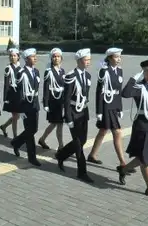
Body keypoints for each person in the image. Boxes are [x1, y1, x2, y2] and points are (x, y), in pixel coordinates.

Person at [118, 59, 148, 200]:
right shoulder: (139, 88)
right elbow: (125, 93)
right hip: (142, 126)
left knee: (143, 156)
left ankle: (123, 169)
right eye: (146, 70)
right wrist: (134, 78)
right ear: (142, 72)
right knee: (145, 158)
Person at [88, 48, 136, 173]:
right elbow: (99, 92)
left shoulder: (119, 71)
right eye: (116, 57)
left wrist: (120, 108)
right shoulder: (104, 71)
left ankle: (92, 155)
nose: (119, 59)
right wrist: (98, 111)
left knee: (103, 131)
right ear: (109, 58)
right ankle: (123, 162)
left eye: (120, 57)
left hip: (114, 105)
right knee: (117, 132)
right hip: (106, 105)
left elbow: (118, 91)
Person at [55, 48, 94, 183]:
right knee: (78, 144)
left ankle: (61, 155)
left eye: (89, 59)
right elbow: (66, 99)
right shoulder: (71, 76)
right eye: (86, 60)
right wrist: (68, 117)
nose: (88, 62)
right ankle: (82, 172)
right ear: (79, 61)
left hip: (83, 112)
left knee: (82, 141)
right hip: (73, 112)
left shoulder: (87, 76)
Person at [10, 48, 41, 166]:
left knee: (34, 129)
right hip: (25, 106)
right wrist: (20, 110)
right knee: (30, 131)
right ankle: (32, 157)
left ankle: (16, 142)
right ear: (27, 59)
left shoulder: (36, 71)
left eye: (35, 56)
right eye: (33, 56)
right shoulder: (21, 73)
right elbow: (18, 93)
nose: (35, 58)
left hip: (34, 104)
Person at [38, 48, 65, 151]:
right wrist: (45, 103)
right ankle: (61, 145)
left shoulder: (62, 71)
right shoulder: (48, 72)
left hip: (61, 101)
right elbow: (46, 88)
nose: (56, 58)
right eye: (54, 56)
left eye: (58, 56)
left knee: (55, 123)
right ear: (51, 58)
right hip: (53, 101)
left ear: (61, 58)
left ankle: (42, 139)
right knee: (58, 123)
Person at [0, 48, 22, 138]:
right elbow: (6, 84)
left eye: (14, 56)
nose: (12, 58)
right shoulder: (8, 68)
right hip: (11, 95)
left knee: (17, 116)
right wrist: (5, 98)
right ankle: (15, 136)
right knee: (15, 116)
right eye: (11, 56)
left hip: (19, 95)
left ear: (18, 57)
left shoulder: (20, 68)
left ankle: (4, 126)